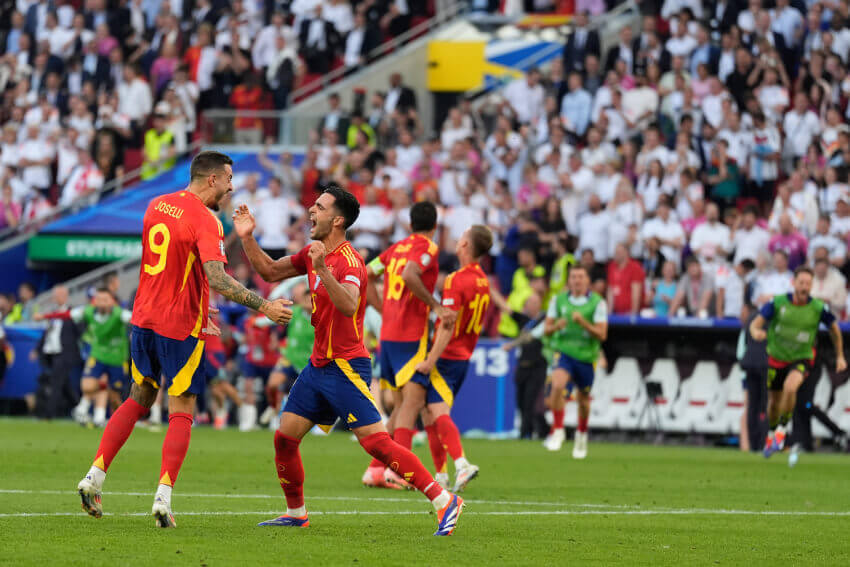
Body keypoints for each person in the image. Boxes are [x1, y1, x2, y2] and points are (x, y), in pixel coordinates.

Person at [76, 151, 293, 528]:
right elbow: (218, 278)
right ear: (211, 179)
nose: (231, 187)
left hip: (144, 318)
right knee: (182, 408)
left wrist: (201, 302)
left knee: (139, 396)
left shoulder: (157, 205)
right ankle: (163, 497)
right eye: (228, 179)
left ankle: (94, 476)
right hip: (179, 328)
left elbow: (172, 266)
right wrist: (266, 307)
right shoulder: (207, 221)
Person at [232, 184, 464, 536]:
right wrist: (248, 238)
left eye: (320, 207)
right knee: (284, 438)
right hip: (318, 366)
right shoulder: (314, 251)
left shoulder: (349, 260)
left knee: (376, 443)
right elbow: (269, 272)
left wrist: (323, 269)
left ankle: (444, 499)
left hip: (345, 366)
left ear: (337, 220)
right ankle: (296, 513)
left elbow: (350, 304)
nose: (311, 210)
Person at [360, 201, 454, 489]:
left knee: (401, 406)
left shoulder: (395, 249)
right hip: (410, 336)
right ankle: (398, 471)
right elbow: (410, 275)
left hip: (388, 336)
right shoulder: (428, 249)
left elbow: (365, 272)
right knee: (411, 405)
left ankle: (376, 469)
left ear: (409, 224)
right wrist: (436, 306)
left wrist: (380, 310)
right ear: (435, 227)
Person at [394, 225, 493, 492]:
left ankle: (462, 464)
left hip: (445, 356)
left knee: (436, 412)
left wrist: (430, 360)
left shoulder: (456, 280)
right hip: (464, 355)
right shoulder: (484, 281)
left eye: (462, 236)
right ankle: (441, 475)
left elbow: (448, 324)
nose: (458, 240)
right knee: (428, 413)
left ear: (465, 246)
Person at [749, 266, 846, 459]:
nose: (804, 287)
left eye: (808, 284)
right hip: (776, 358)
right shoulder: (777, 303)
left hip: (801, 358)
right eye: (801, 283)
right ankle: (772, 434)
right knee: (773, 403)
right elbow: (755, 323)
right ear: (794, 283)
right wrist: (755, 332)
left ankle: (782, 431)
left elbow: (835, 330)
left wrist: (840, 356)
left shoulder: (817, 308)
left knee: (791, 388)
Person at [38, 288, 132, 427]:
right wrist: (44, 317)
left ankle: (113, 418)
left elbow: (138, 319)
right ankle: (91, 413)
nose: (101, 303)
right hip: (98, 355)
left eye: (105, 300)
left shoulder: (120, 314)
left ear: (112, 301)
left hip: (117, 359)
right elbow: (67, 315)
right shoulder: (88, 312)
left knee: (114, 397)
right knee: (87, 386)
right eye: (98, 299)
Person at [542, 265, 608, 456]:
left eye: (580, 277)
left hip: (586, 357)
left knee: (583, 400)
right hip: (564, 352)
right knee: (557, 386)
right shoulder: (559, 300)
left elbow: (602, 334)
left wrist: (583, 323)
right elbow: (546, 329)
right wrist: (556, 326)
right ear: (569, 280)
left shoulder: (597, 303)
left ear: (587, 280)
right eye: (573, 277)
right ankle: (559, 429)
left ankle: (581, 434)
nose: (577, 280)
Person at [261, 280, 315, 431]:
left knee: (306, 396)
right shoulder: (295, 312)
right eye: (305, 299)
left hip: (309, 362)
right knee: (272, 384)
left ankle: (315, 424)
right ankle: (273, 407)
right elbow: (274, 322)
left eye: (310, 299)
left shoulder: (320, 318)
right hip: (290, 357)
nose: (306, 302)